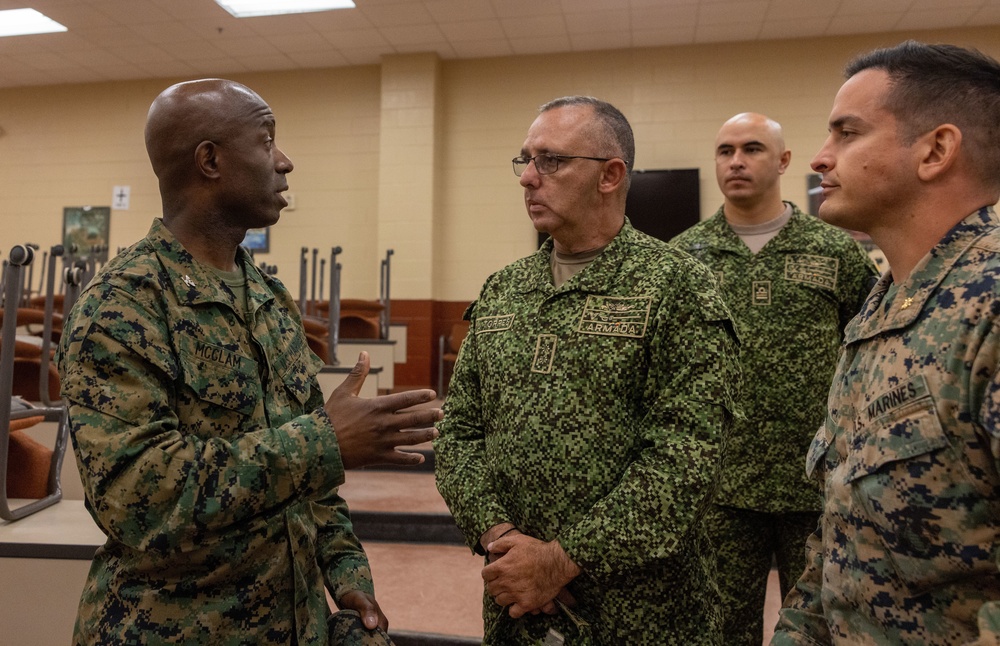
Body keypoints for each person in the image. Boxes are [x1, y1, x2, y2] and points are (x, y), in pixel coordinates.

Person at [56, 78, 443, 645]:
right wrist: (322, 441)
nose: (285, 162)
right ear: (209, 160)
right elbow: (137, 497)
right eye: (266, 141)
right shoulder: (122, 305)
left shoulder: (266, 296)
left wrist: (346, 574)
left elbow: (313, 482)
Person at [433, 95, 742, 644]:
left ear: (611, 175)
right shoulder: (504, 288)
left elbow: (686, 456)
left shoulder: (678, 285)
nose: (528, 177)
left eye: (550, 160)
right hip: (517, 605)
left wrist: (563, 559)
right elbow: (459, 433)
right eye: (525, 160)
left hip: (643, 611)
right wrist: (501, 537)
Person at [771, 41, 1000, 643]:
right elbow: (836, 545)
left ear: (936, 150)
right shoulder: (880, 310)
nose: (821, 159)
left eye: (847, 133)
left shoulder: (990, 304)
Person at [670, 113, 878, 644]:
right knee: (718, 629)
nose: (736, 161)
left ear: (783, 161)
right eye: (725, 150)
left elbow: (871, 350)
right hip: (720, 488)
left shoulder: (833, 250)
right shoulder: (683, 259)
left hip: (814, 484)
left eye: (752, 148)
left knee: (819, 627)